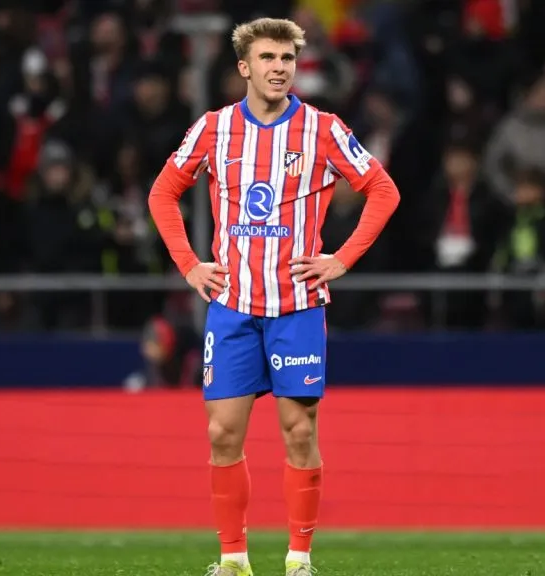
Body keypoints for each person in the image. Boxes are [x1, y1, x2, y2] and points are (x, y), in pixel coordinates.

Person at [147, 17, 400, 576]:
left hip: (297, 306)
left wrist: (341, 259)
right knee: (222, 433)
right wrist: (189, 265)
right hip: (233, 305)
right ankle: (233, 559)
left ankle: (299, 559)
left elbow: (383, 190)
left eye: (287, 59)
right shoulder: (213, 128)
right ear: (244, 67)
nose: (279, 68)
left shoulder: (323, 129)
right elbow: (163, 192)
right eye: (267, 58)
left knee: (300, 431)